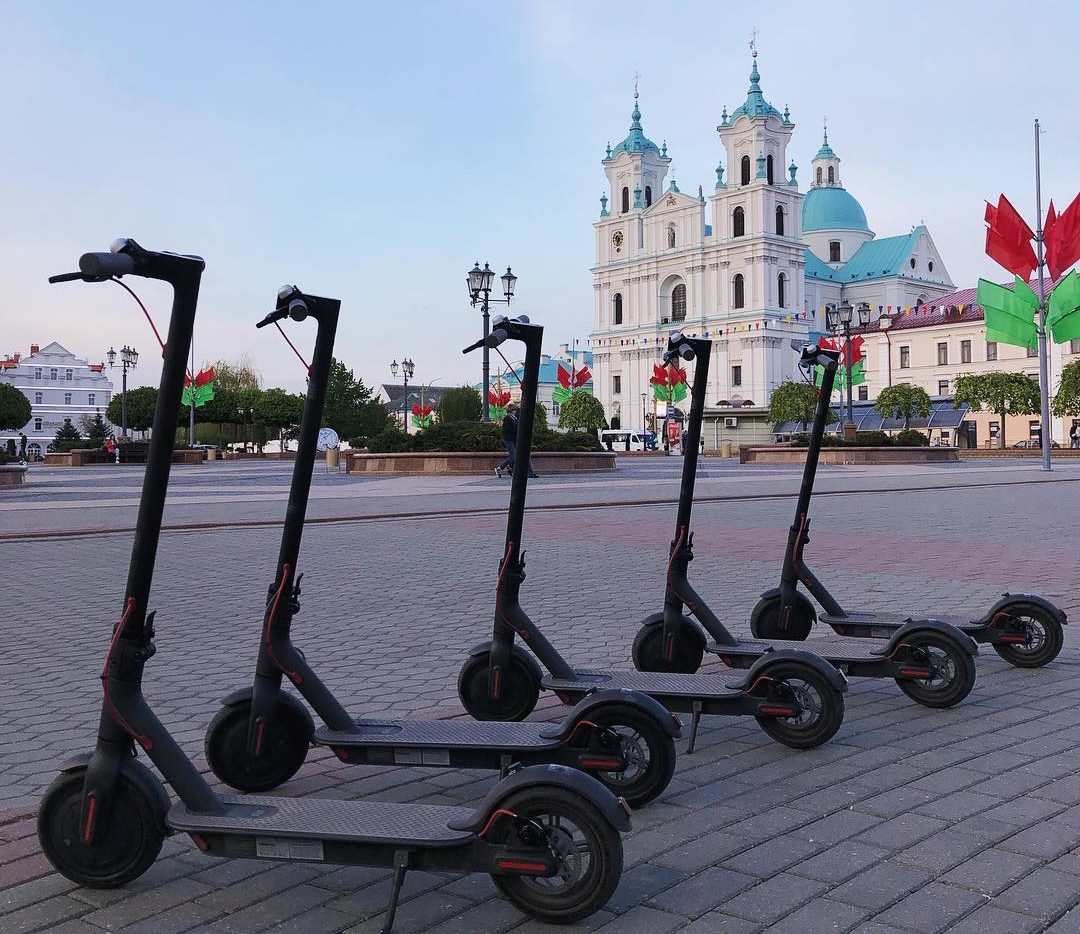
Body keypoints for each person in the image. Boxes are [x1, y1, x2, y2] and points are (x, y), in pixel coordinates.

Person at [496, 404, 538, 479]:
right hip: (509, 440)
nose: (515, 412)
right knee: (514, 456)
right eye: (514, 410)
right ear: (511, 411)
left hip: (516, 439)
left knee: (523, 455)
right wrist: (518, 430)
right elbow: (506, 430)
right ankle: (500, 467)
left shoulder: (516, 418)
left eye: (516, 410)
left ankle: (528, 472)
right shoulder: (507, 418)